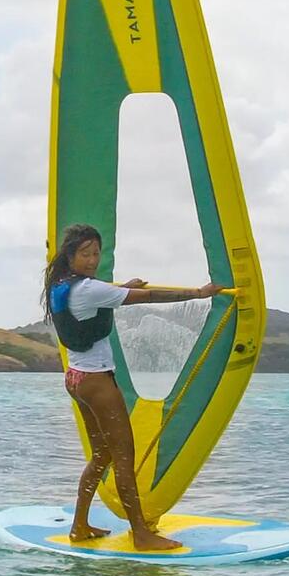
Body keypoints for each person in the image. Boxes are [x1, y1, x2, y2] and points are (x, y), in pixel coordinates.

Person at [42, 222, 220, 551]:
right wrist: (198, 293)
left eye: (96, 253)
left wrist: (122, 287)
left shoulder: (62, 286)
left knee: (101, 455)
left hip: (76, 378)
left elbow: (96, 302)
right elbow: (147, 296)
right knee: (124, 457)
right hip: (96, 381)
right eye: (85, 254)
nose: (93, 260)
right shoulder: (90, 289)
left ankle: (79, 525)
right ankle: (141, 534)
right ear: (70, 256)